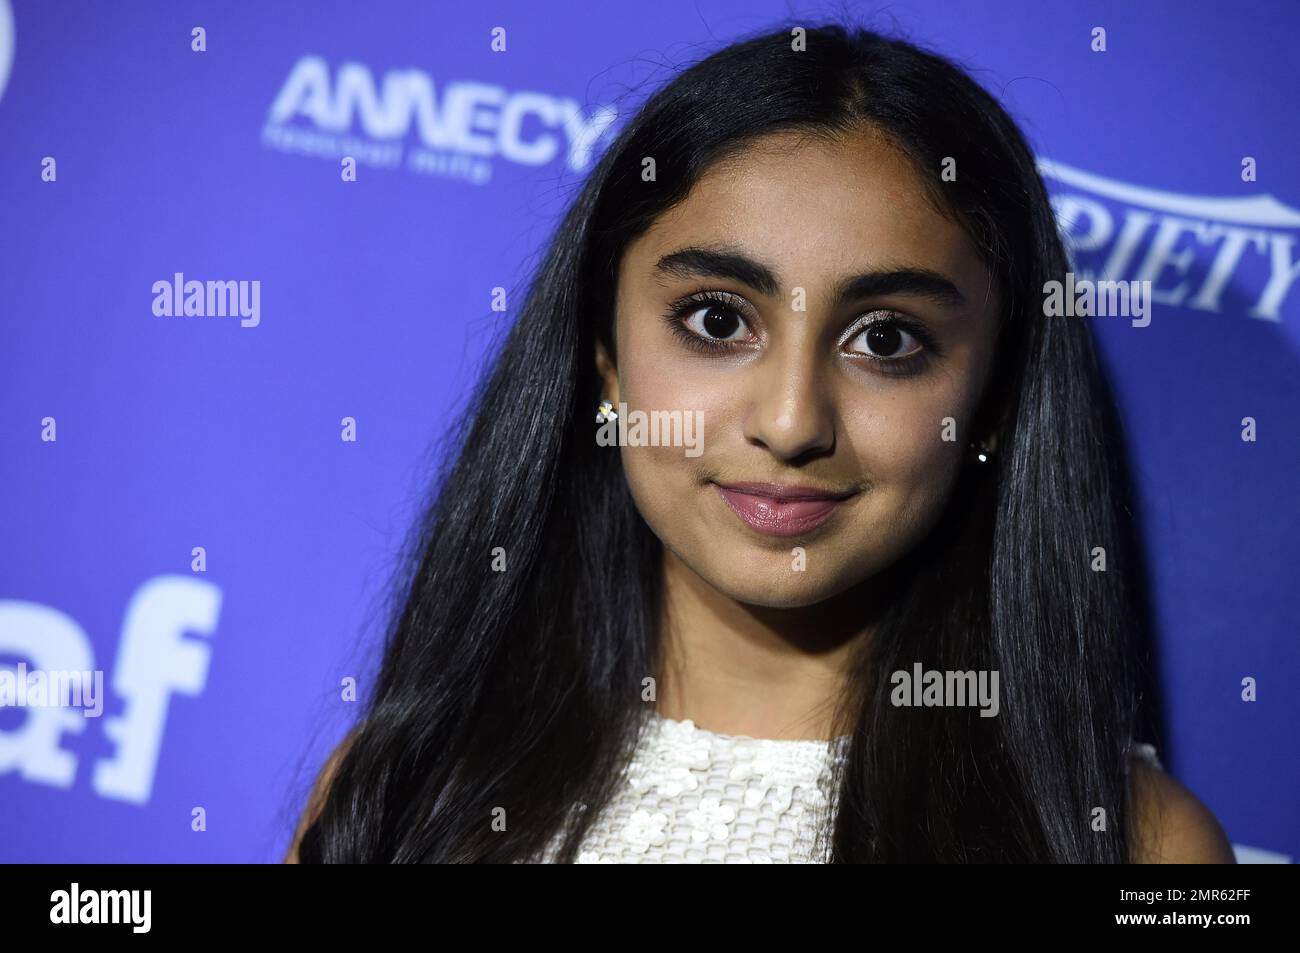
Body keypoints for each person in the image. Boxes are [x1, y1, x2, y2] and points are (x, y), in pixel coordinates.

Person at [286, 21, 1234, 863]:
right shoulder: (403, 793)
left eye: (888, 340)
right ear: (605, 362)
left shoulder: (1138, 850)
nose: (788, 422)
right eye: (713, 320)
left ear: (993, 398)